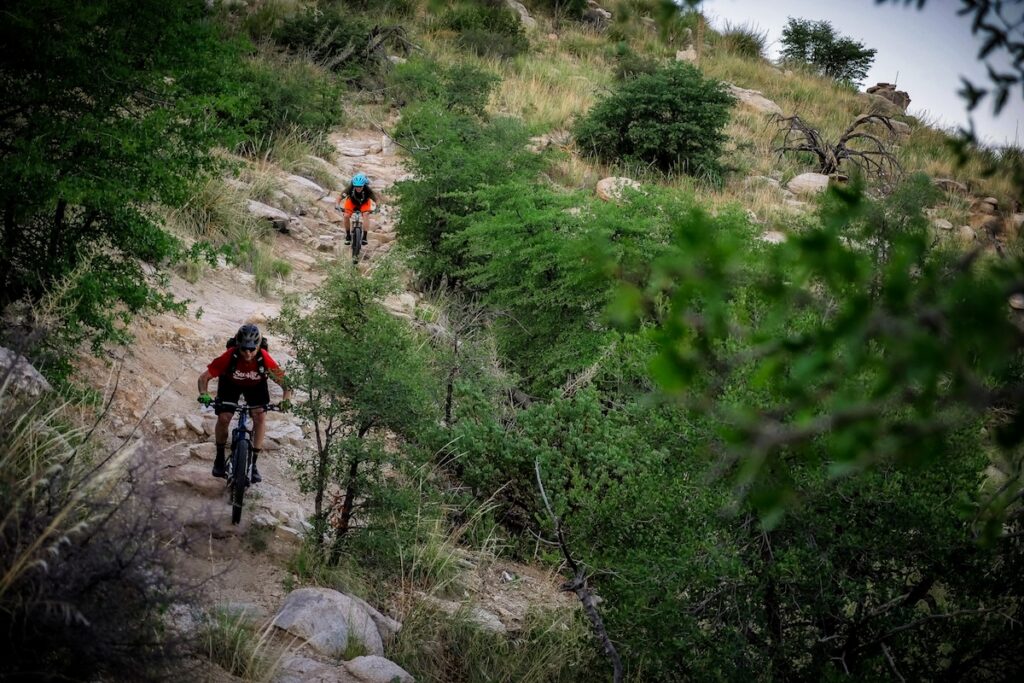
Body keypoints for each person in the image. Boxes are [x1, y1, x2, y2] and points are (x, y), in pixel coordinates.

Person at [197, 323, 292, 483]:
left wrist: (286, 400)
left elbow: (286, 384)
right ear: (238, 346)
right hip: (230, 384)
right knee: (224, 417)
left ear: (259, 346)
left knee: (260, 417)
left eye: (252, 349)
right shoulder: (229, 356)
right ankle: (220, 457)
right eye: (244, 349)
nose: (248, 353)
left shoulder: (264, 358)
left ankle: (253, 464)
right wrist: (204, 394)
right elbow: (203, 378)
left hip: (256, 386)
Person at [339, 172, 376, 246]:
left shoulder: (367, 189)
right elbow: (340, 197)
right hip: (351, 202)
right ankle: (348, 236)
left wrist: (377, 207)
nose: (358, 188)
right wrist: (337, 205)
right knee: (346, 216)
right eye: (356, 186)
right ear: (354, 185)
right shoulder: (350, 188)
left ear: (364, 185)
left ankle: (364, 237)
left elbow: (376, 199)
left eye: (360, 186)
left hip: (364, 203)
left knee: (366, 214)